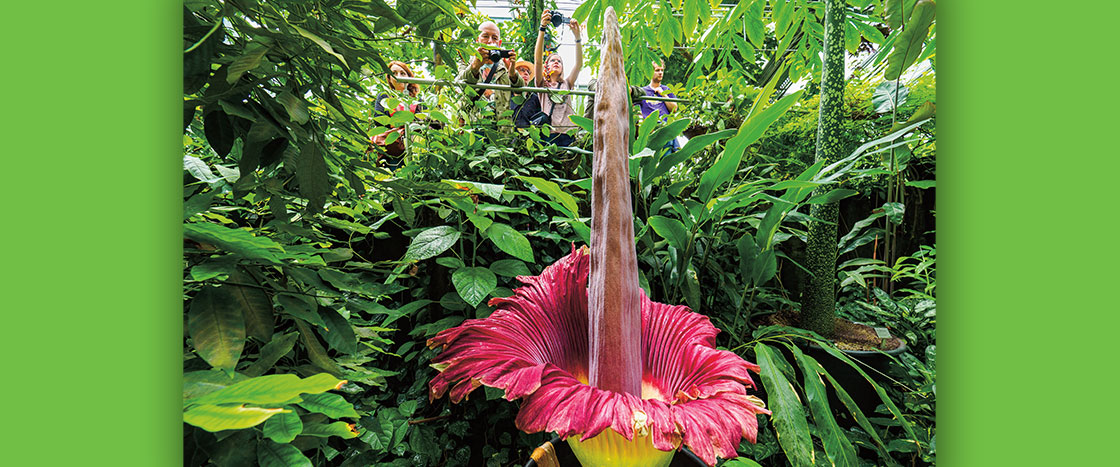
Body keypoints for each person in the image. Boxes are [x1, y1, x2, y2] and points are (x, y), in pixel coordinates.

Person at [457, 21, 525, 124]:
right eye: (485, 36)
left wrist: (512, 73)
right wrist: (475, 67)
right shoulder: (466, 60)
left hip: (501, 126)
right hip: (473, 123)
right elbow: (461, 84)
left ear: (499, 43)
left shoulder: (505, 65)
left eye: (494, 38)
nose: (490, 41)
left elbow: (521, 90)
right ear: (477, 40)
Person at [534, 9, 582, 146]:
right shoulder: (542, 84)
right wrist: (542, 28)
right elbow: (537, 60)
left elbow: (579, 64)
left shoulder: (567, 83)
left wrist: (577, 37)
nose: (556, 62)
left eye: (559, 61)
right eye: (552, 60)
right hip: (548, 134)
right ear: (546, 66)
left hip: (567, 135)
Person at [369, 60, 423, 170]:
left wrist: (396, 121)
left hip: (416, 146)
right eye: (394, 73)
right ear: (389, 78)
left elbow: (422, 121)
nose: (398, 76)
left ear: (409, 77)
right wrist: (406, 121)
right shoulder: (385, 97)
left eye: (403, 73)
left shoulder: (418, 100)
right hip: (392, 147)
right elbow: (379, 120)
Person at [636, 60, 681, 152]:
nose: (660, 73)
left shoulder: (666, 89)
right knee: (671, 142)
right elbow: (632, 108)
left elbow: (674, 108)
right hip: (652, 131)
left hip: (666, 128)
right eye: (657, 70)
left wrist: (663, 94)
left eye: (662, 70)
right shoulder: (643, 91)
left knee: (669, 138)